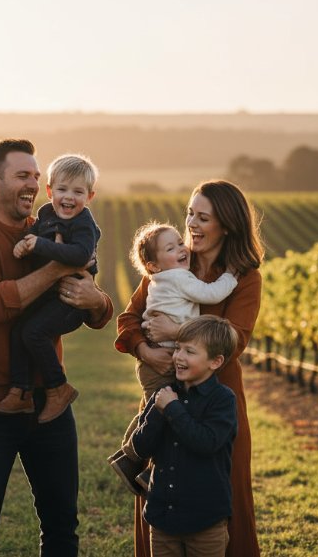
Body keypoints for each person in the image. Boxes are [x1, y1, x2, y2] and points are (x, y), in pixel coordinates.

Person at [0, 139, 113, 557]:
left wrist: (99, 302)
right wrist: (59, 264)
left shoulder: (48, 230)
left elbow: (91, 297)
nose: (32, 185)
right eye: (23, 176)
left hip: (49, 407)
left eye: (36, 177)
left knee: (61, 527)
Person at [115, 179, 264, 557]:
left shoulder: (245, 277)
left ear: (226, 225)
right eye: (189, 214)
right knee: (158, 488)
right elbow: (130, 319)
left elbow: (235, 338)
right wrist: (147, 352)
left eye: (203, 217)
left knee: (224, 492)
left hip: (218, 400)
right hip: (166, 394)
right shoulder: (173, 261)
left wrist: (176, 331)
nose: (192, 224)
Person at [109, 222, 238, 493]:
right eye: (172, 247)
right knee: (163, 413)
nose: (182, 248)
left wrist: (174, 331)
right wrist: (231, 276)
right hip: (161, 360)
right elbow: (211, 293)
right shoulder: (179, 277)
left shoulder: (160, 277)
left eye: (180, 242)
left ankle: (138, 465)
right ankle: (139, 464)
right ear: (153, 265)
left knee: (160, 411)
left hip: (162, 358)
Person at [0, 154, 101, 423]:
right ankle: (20, 392)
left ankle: (58, 388)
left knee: (34, 332)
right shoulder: (46, 215)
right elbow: (33, 239)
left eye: (78, 192)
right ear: (50, 191)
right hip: (50, 296)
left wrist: (38, 246)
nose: (69, 198)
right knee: (19, 330)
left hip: (70, 301)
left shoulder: (84, 223)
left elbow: (79, 255)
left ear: (90, 196)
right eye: (62, 190)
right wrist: (24, 244)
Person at [127, 315, 238, 557]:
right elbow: (141, 447)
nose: (179, 356)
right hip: (163, 518)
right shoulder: (164, 393)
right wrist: (158, 411)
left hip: (205, 521)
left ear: (215, 361)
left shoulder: (222, 400)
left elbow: (206, 442)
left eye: (190, 351)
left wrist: (172, 409)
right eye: (177, 348)